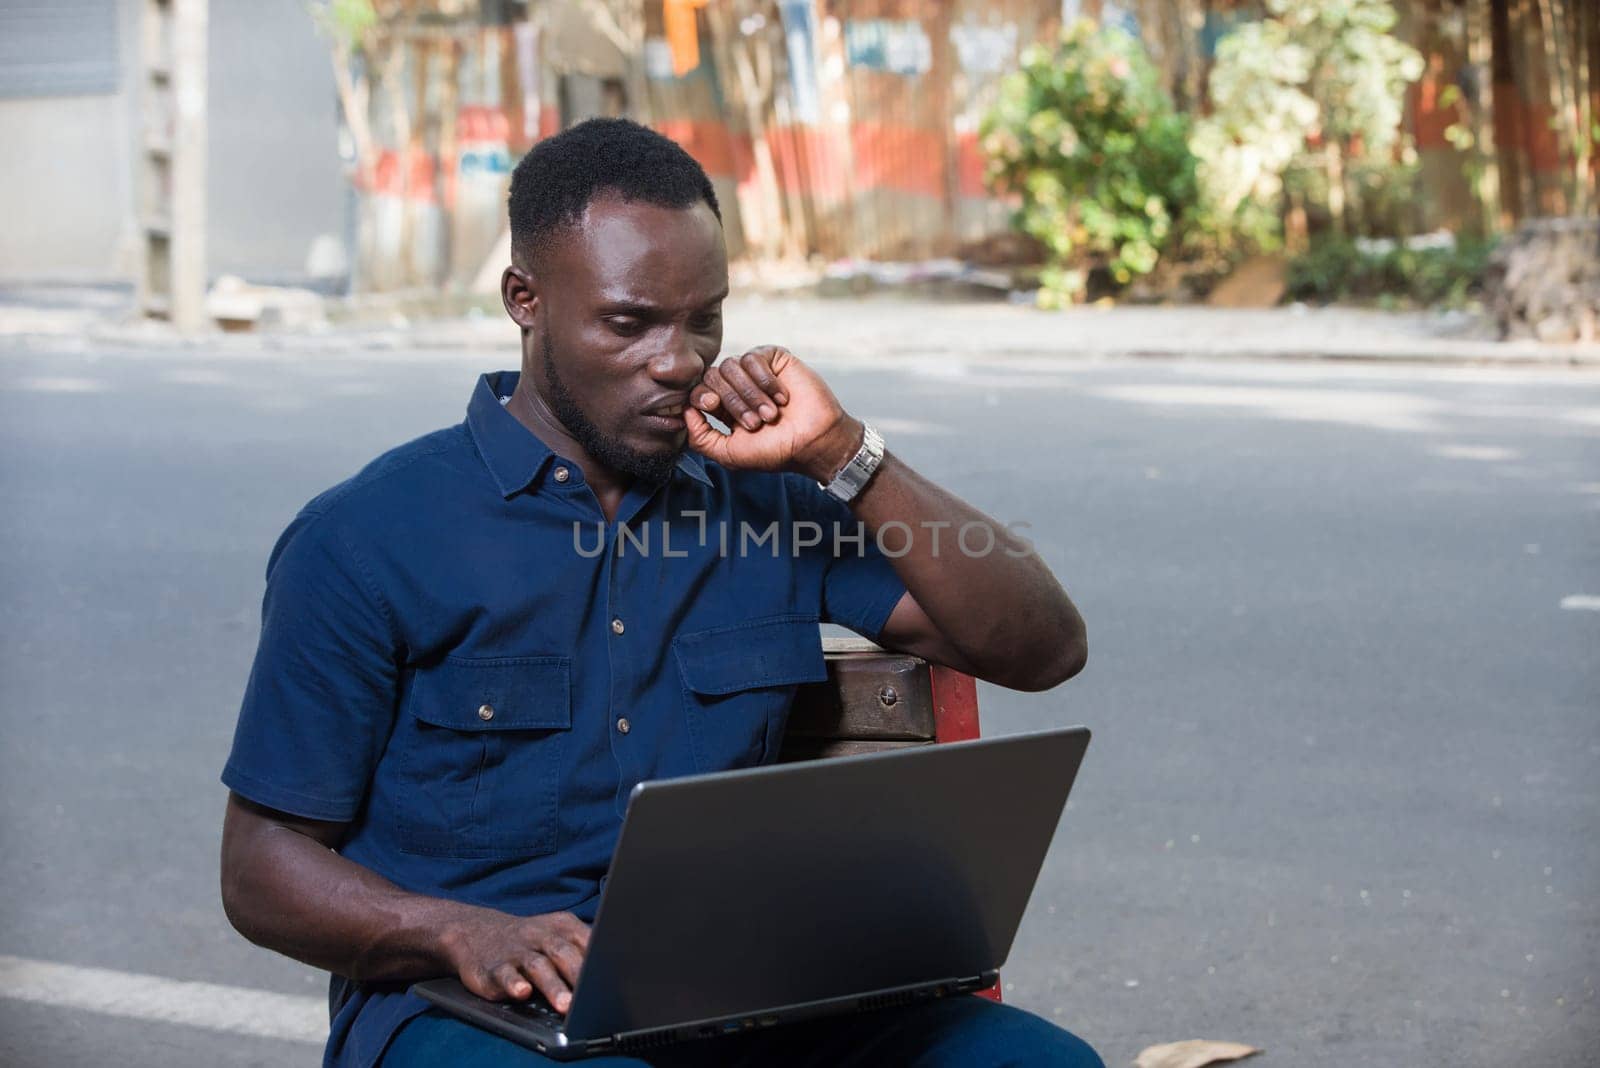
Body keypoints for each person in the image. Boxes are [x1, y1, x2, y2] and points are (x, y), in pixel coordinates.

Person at [219, 118, 1096, 1068]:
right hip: (472, 1012)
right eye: (630, 323)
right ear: (526, 299)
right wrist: (460, 931)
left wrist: (843, 453)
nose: (679, 361)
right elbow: (263, 868)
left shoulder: (774, 499)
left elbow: (1041, 651)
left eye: (704, 318)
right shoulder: (364, 538)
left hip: (756, 998)